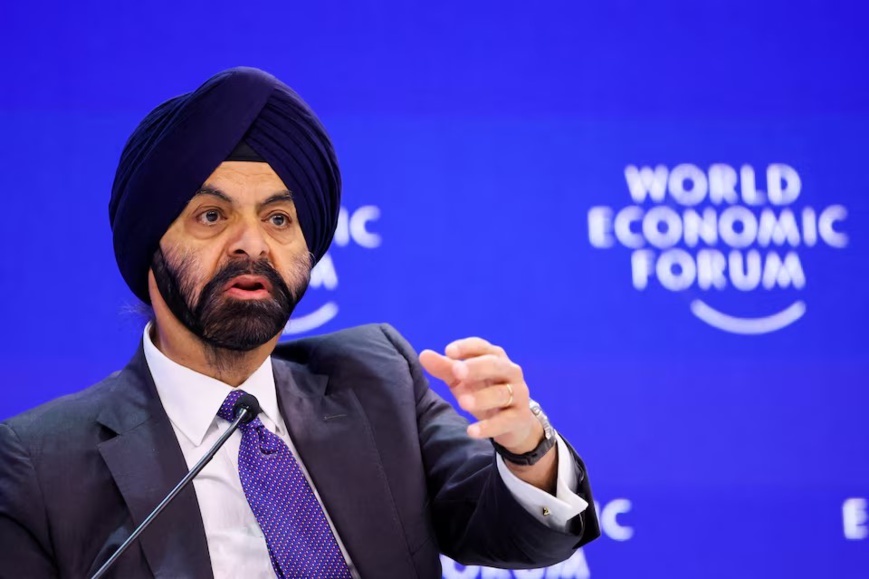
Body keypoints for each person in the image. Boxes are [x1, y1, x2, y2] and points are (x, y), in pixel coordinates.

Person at [0, 67, 599, 578]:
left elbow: (526, 536)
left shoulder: (377, 377)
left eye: (280, 219)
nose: (251, 245)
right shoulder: (39, 463)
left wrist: (527, 448)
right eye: (212, 215)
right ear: (149, 250)